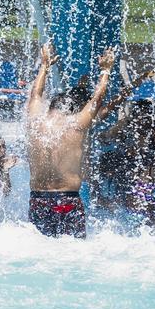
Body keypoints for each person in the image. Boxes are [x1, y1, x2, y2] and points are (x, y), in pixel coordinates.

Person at [25, 43, 116, 238]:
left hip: (38, 200)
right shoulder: (74, 124)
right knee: (73, 252)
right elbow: (97, 100)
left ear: (50, 107)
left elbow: (35, 95)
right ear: (71, 109)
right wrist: (106, 70)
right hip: (67, 201)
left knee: (41, 250)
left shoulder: (34, 122)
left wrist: (44, 66)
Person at [98, 99, 155, 227]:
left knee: (147, 212)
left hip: (149, 177)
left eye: (146, 115)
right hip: (133, 176)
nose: (143, 119)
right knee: (135, 211)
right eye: (140, 115)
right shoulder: (126, 125)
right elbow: (105, 138)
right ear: (134, 115)